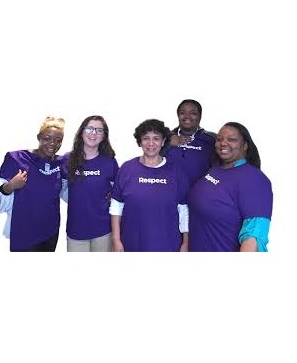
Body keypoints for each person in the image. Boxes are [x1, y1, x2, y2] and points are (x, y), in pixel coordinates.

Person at [187, 122, 272, 252]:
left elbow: (254, 236)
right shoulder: (215, 169)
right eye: (219, 139)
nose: (223, 143)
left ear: (245, 145)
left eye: (231, 139)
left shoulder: (255, 180)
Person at [109, 118, 189, 252]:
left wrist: (185, 243)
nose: (151, 143)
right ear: (140, 141)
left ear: (163, 142)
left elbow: (184, 210)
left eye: (156, 138)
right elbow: (116, 206)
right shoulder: (127, 169)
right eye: (146, 138)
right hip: (132, 243)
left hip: (167, 244)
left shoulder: (176, 172)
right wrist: (116, 240)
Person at [0, 116, 66, 252]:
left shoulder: (61, 163)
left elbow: (72, 190)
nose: (52, 143)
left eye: (58, 140)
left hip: (50, 231)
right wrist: (11, 186)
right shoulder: (17, 159)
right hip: (25, 232)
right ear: (38, 137)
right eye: (47, 138)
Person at [61, 115, 119, 252]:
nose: (94, 133)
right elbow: (60, 188)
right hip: (76, 229)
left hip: (103, 229)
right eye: (89, 128)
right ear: (81, 132)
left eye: (99, 130)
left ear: (104, 136)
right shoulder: (67, 159)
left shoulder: (109, 161)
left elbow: (118, 191)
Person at [163, 99, 217, 187]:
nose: (187, 117)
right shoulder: (164, 138)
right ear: (178, 115)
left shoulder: (212, 139)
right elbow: (151, 160)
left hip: (201, 192)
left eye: (193, 113)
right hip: (168, 192)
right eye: (182, 113)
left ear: (200, 116)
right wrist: (168, 142)